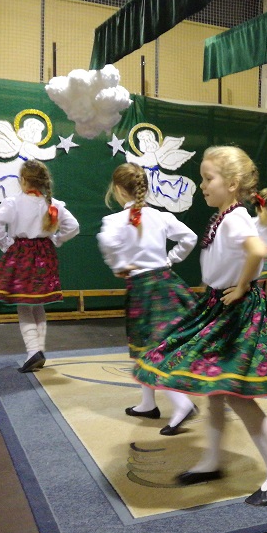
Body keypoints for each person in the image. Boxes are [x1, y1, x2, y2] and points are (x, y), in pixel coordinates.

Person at [132, 145, 267, 506]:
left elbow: (258, 251)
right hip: (219, 304)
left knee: (235, 392)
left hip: (235, 311)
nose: (202, 185)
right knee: (216, 389)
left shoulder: (236, 218)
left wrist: (242, 286)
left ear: (232, 184)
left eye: (208, 179)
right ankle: (212, 460)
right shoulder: (224, 216)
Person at [97, 163, 199, 435]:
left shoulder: (115, 221)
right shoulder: (161, 217)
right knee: (147, 345)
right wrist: (170, 259)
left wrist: (119, 265)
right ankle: (147, 403)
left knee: (151, 349)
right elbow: (189, 237)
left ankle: (182, 404)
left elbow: (107, 242)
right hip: (166, 282)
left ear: (118, 190)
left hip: (143, 288)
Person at [0, 159, 80, 372]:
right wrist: (57, 239)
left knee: (24, 303)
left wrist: (5, 243)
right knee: (37, 302)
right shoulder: (53, 204)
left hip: (22, 255)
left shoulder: (14, 202)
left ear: (23, 180)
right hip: (45, 255)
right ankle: (39, 350)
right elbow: (73, 226)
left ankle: (33, 350)